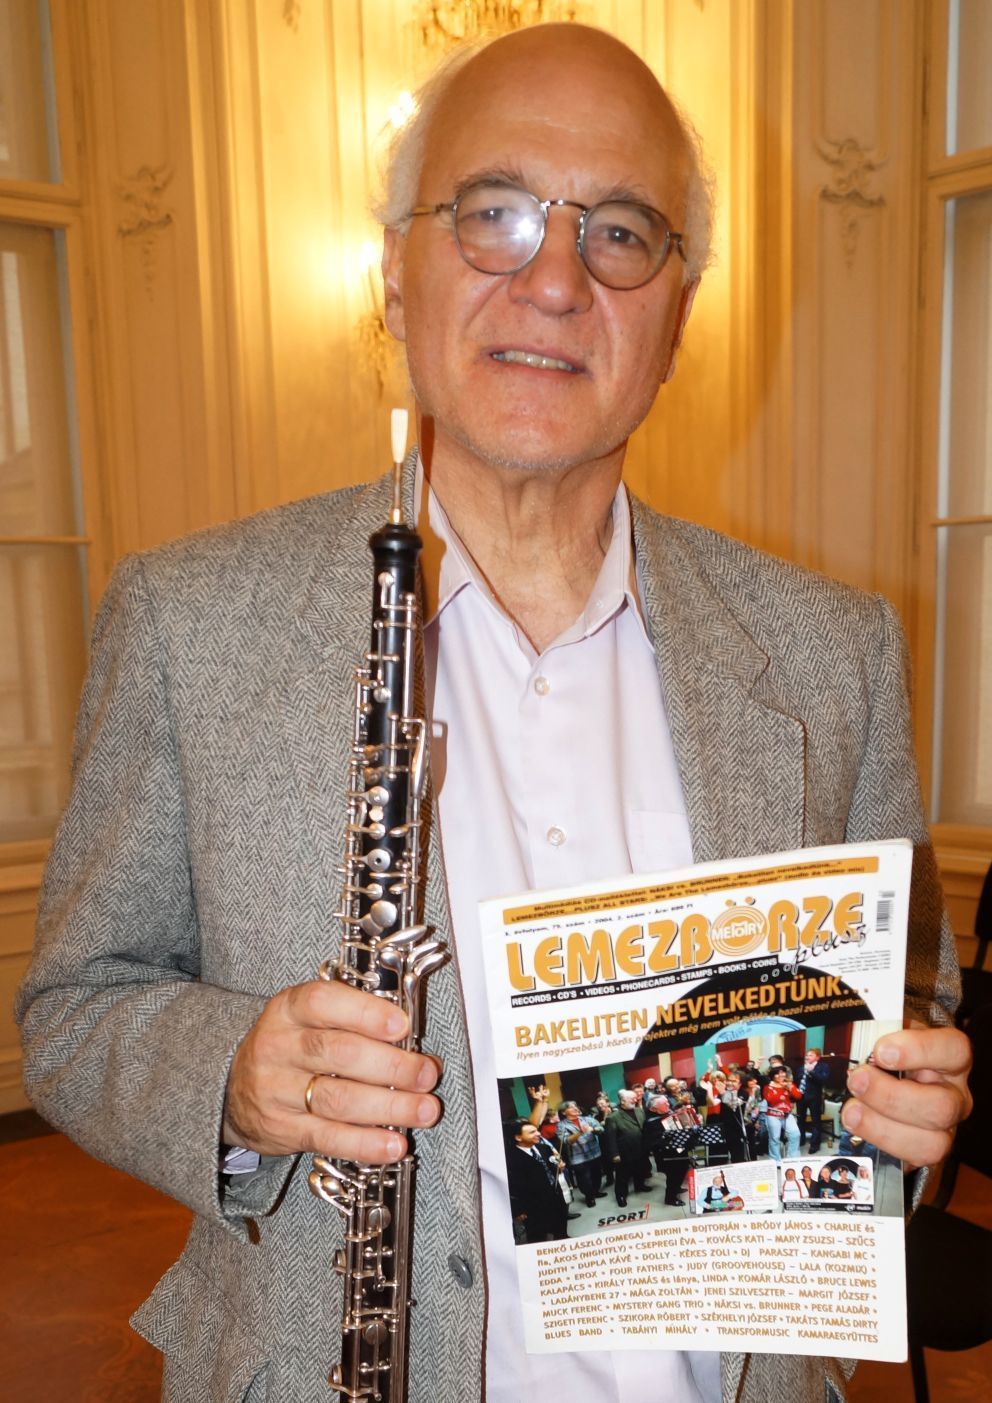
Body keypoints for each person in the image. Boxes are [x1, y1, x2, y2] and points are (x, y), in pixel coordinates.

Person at [16, 21, 972, 1403]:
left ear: (675, 315)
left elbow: (907, 1009)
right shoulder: (189, 619)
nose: (556, 280)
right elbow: (75, 1006)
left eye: (620, 231)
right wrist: (233, 1074)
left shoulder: (833, 651)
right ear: (394, 273)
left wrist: (905, 1109)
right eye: (495, 212)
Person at [505, 1119, 570, 1242]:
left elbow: (551, 1168)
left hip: (555, 1196)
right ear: (518, 1137)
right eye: (532, 1132)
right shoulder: (510, 1159)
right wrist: (517, 1210)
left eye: (536, 1130)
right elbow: (511, 1186)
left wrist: (559, 1166)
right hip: (533, 1205)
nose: (538, 1134)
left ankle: (563, 1240)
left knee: (561, 1225)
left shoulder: (544, 1148)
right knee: (538, 1236)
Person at [604, 1088, 653, 1207]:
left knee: (640, 1169)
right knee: (623, 1175)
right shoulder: (613, 1117)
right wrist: (615, 1154)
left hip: (641, 1148)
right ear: (622, 1101)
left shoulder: (639, 1111)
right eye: (631, 1098)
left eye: (635, 1098)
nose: (635, 1100)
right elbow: (610, 1138)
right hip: (625, 1151)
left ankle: (639, 1185)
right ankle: (621, 1195)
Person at [764, 1066, 803, 1161]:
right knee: (775, 1138)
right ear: (773, 1076)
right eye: (777, 1073)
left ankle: (792, 1158)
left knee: (795, 1134)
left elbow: (798, 1096)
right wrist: (780, 1087)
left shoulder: (789, 1084)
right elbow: (771, 1100)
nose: (780, 1075)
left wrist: (790, 1087)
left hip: (787, 1114)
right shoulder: (768, 1087)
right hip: (773, 1115)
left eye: (782, 1072)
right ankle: (775, 1160)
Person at [796, 1048, 831, 1152]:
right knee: (800, 1120)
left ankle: (815, 1145)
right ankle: (801, 1140)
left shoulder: (823, 1066)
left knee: (816, 1122)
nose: (807, 1057)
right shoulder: (801, 1067)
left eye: (811, 1055)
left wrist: (811, 1072)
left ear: (817, 1057)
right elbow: (797, 1079)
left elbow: (823, 1080)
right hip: (801, 1097)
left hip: (814, 1098)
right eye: (807, 1055)